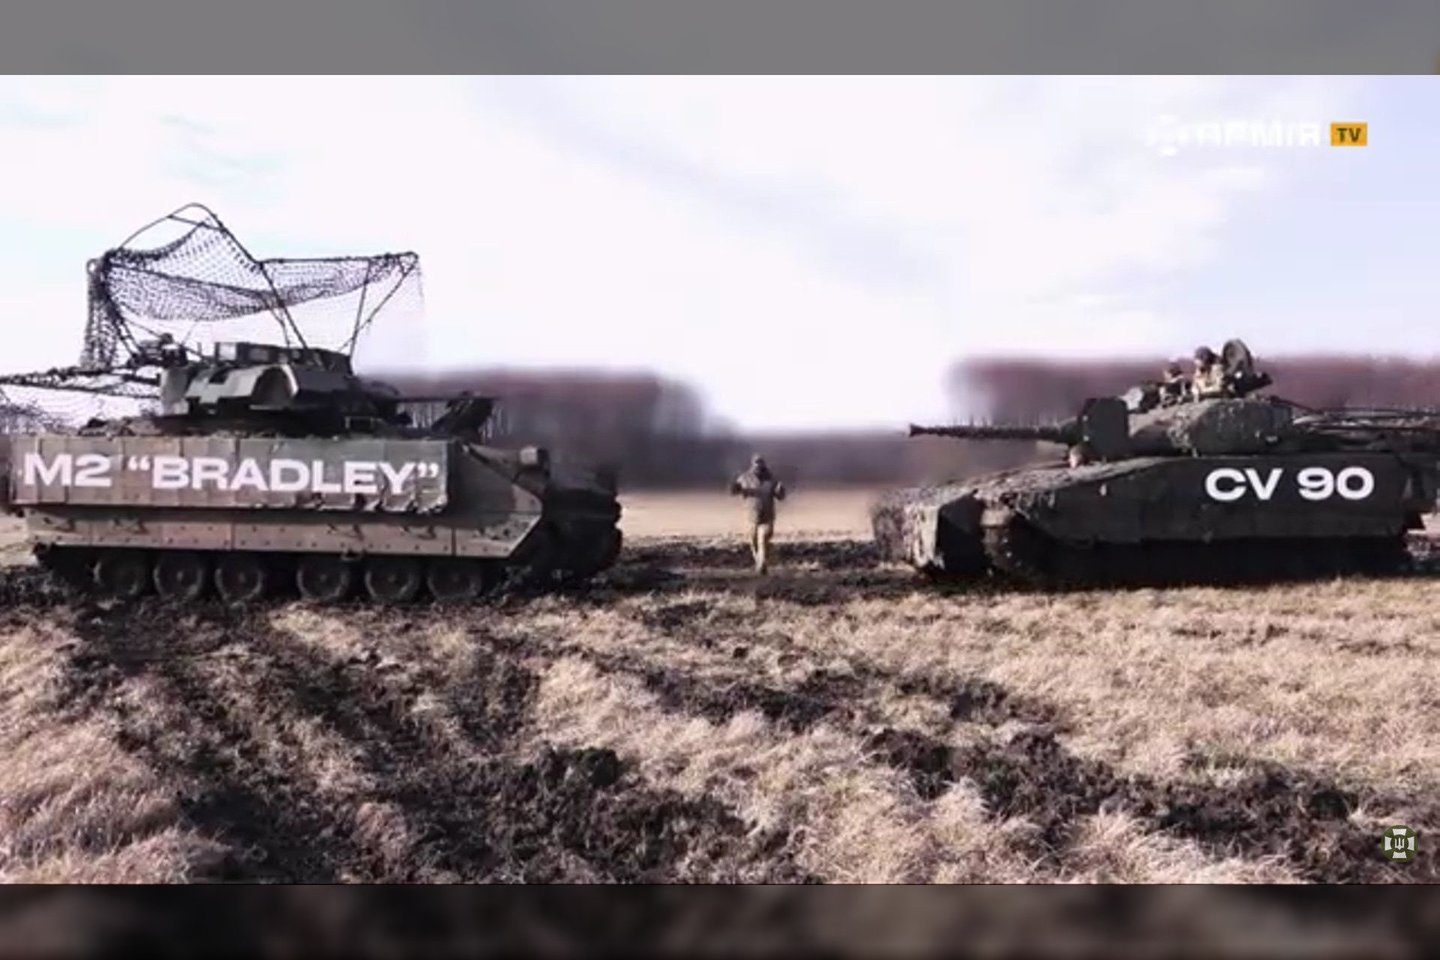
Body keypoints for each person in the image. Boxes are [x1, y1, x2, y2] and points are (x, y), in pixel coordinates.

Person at [729, 454, 786, 573]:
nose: (758, 466)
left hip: (767, 515)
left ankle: (762, 563)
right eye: (756, 463)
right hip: (751, 517)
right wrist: (734, 486)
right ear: (752, 464)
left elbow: (780, 496)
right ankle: (759, 562)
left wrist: (780, 490)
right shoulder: (744, 478)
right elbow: (734, 492)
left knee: (763, 540)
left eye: (760, 464)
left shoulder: (772, 479)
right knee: (754, 541)